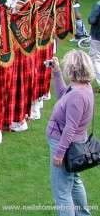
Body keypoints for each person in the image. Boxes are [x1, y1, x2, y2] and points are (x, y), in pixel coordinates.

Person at [47, 51, 95, 216]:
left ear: (73, 71)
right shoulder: (83, 87)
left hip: (65, 145)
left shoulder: (76, 96)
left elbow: (70, 127)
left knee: (61, 192)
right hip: (75, 145)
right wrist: (57, 72)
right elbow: (62, 96)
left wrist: (59, 153)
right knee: (74, 182)